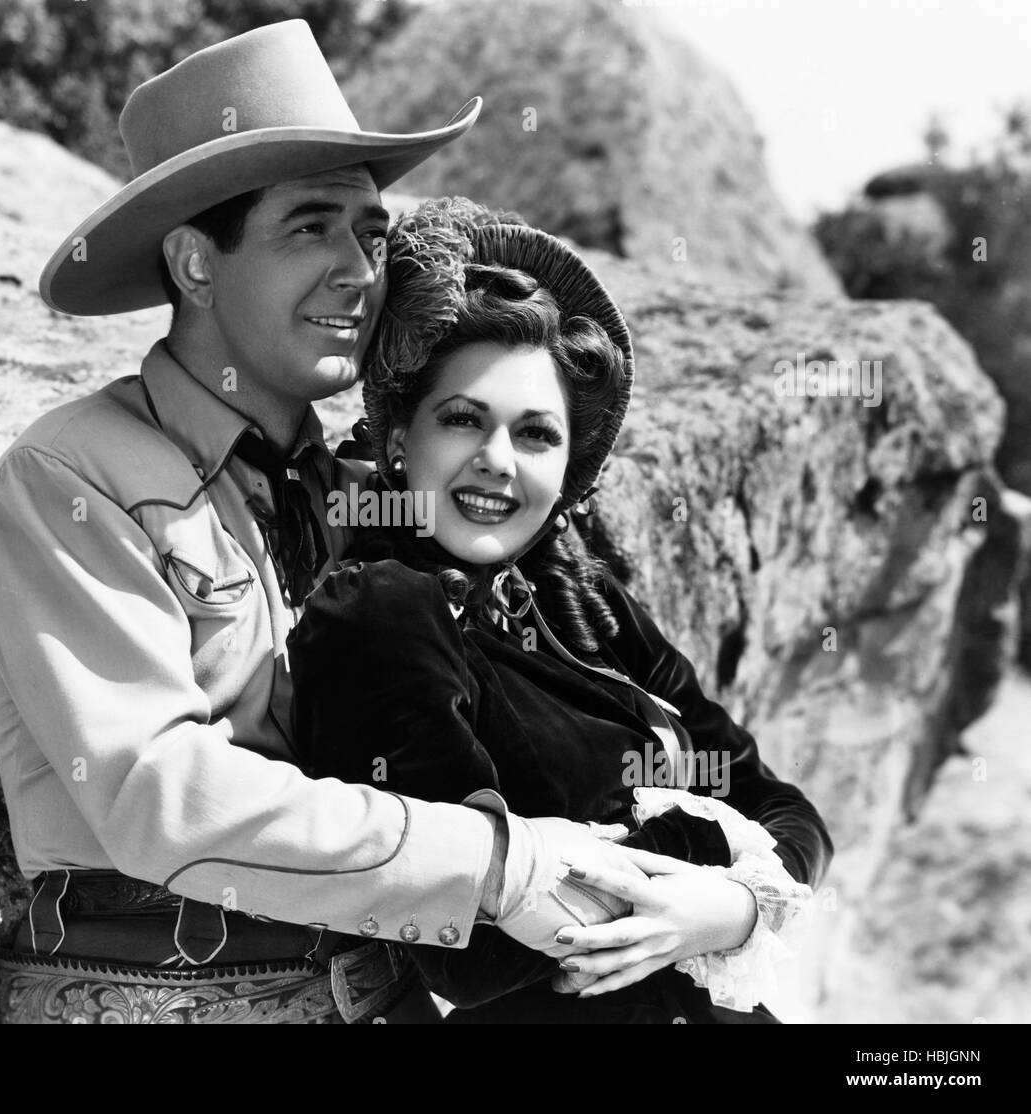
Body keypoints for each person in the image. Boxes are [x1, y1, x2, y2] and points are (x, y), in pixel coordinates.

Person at [0, 21, 650, 1025]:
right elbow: (158, 796)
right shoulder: (70, 476)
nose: (358, 271)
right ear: (195, 263)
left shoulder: (376, 490)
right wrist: (498, 863)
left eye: (370, 233)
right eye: (308, 228)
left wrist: (715, 883)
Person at [287, 197, 835, 1023]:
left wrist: (727, 912)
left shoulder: (581, 600)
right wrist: (709, 844)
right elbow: (465, 945)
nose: (497, 463)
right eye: (463, 419)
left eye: (536, 434)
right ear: (400, 436)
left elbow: (786, 810)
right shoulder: (382, 613)